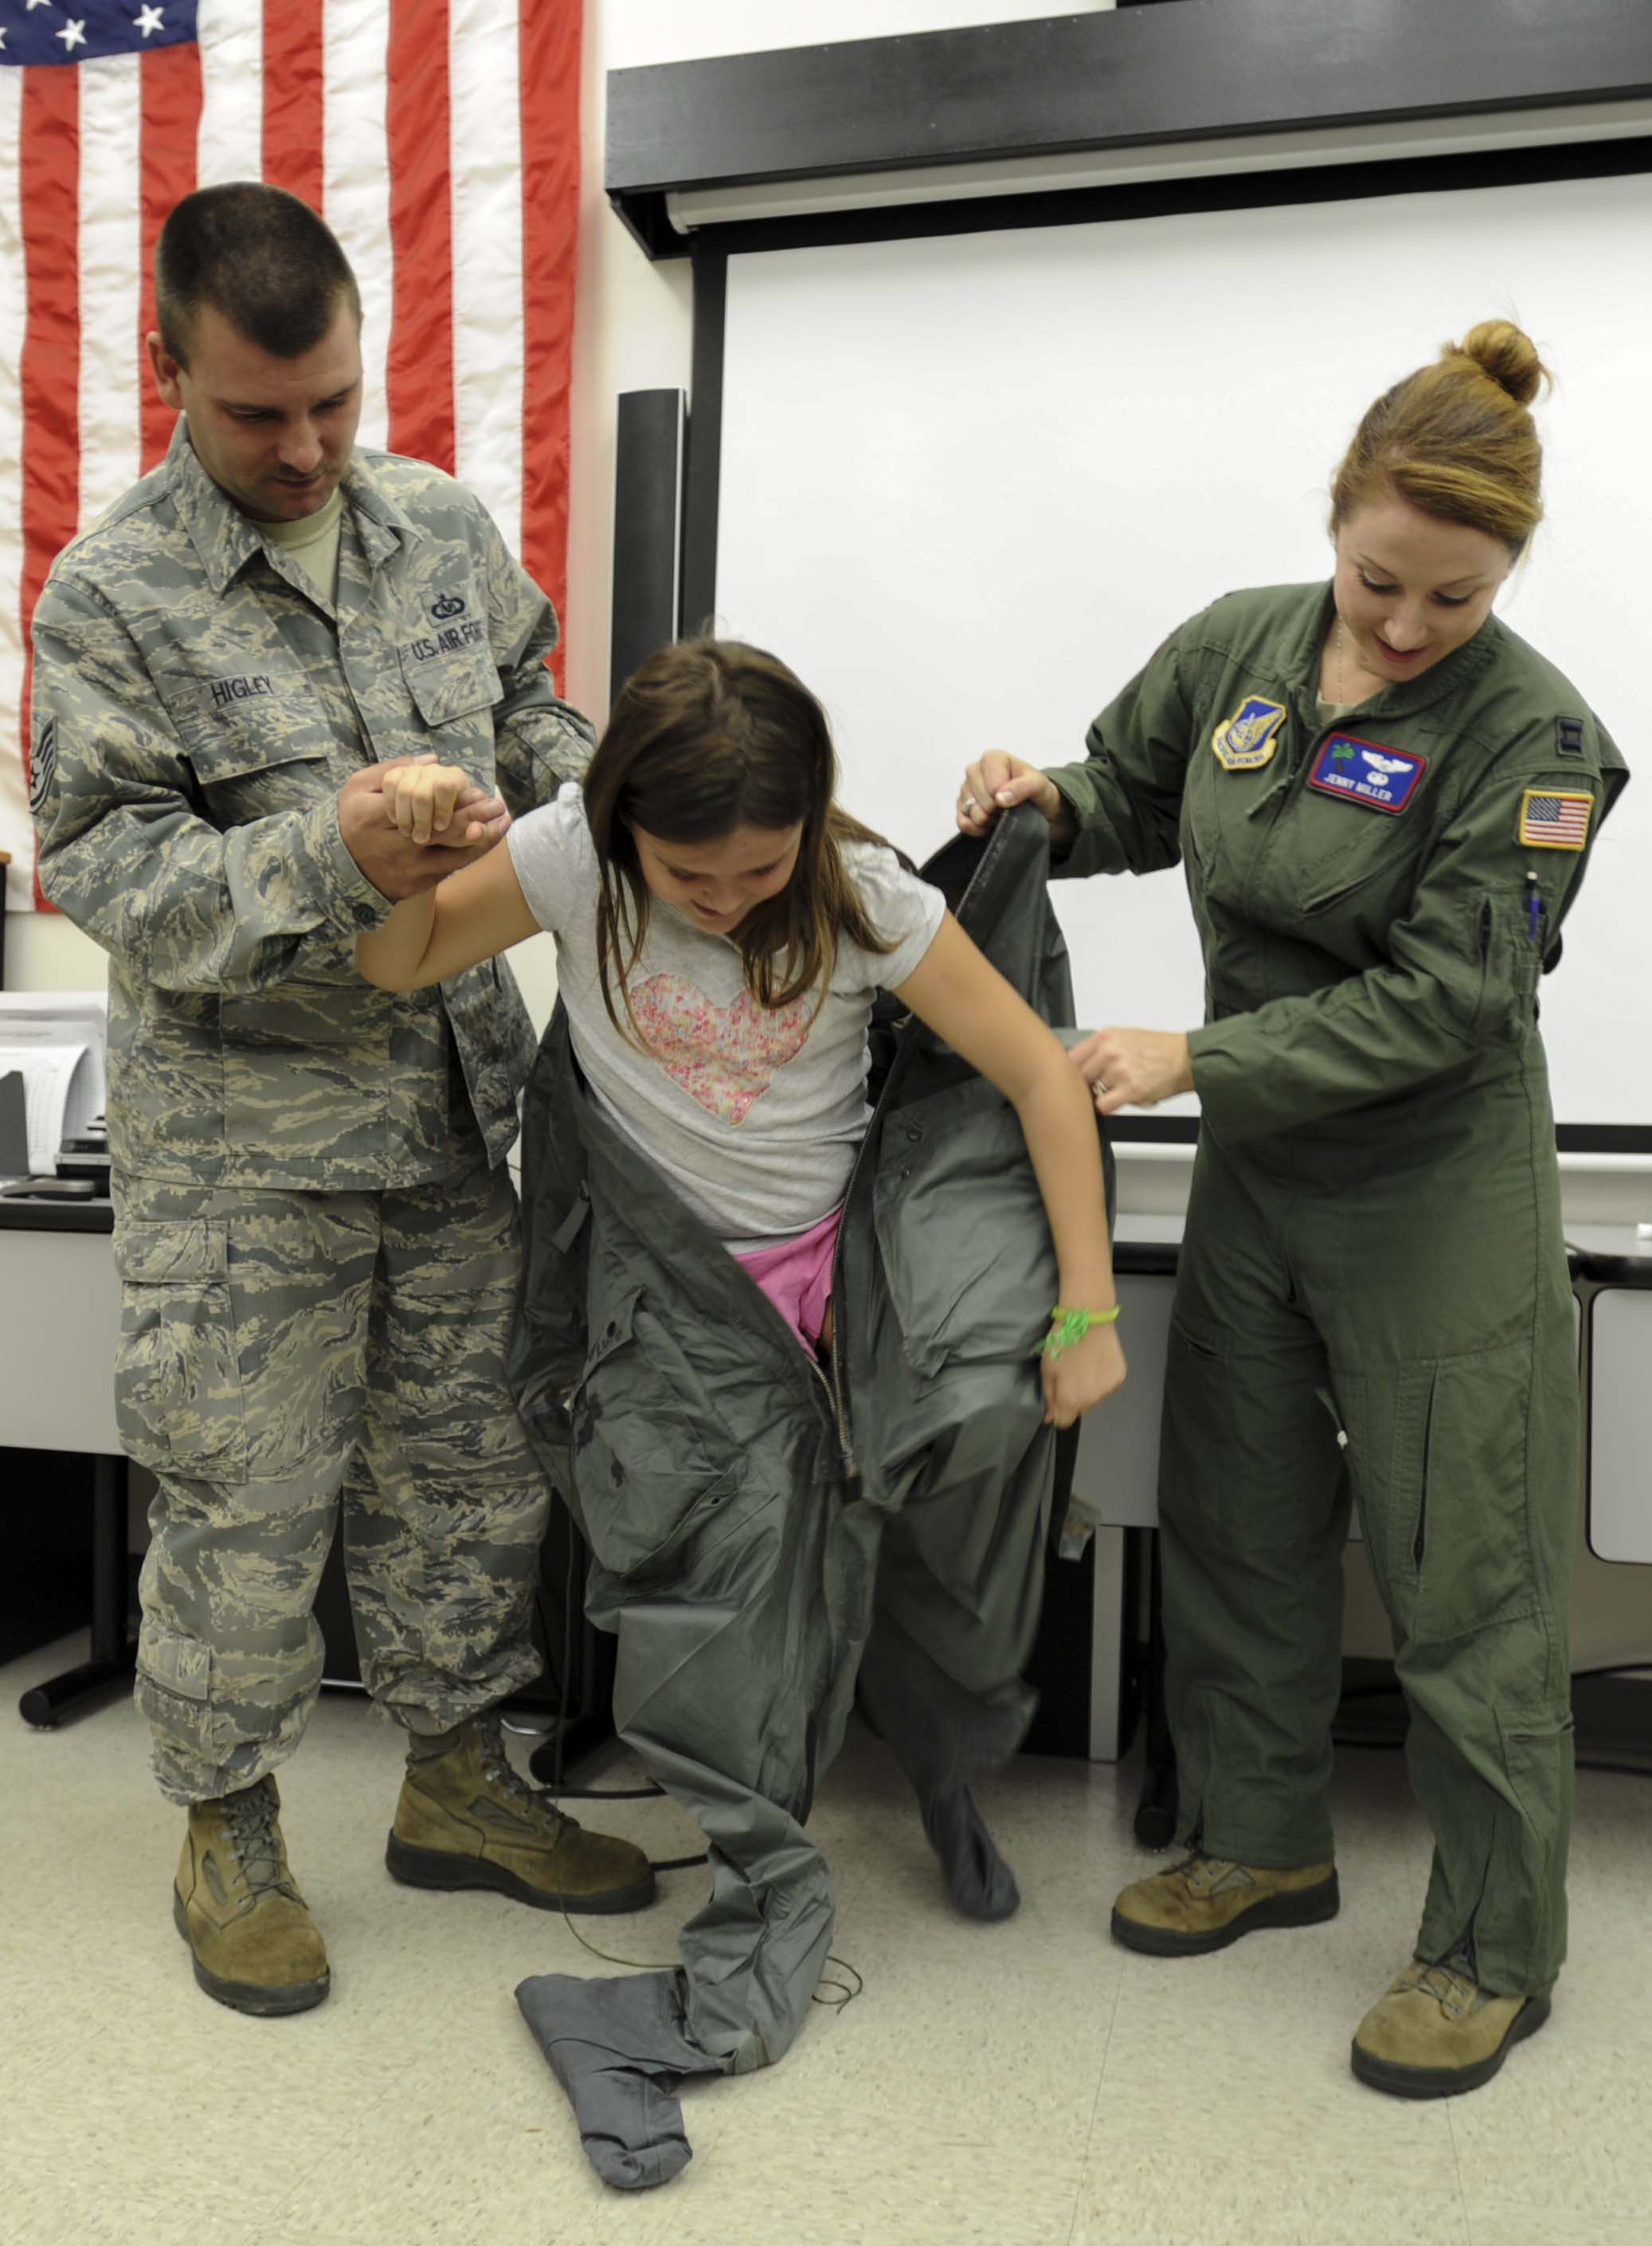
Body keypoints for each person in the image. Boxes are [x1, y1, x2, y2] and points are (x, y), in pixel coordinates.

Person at [954, 320, 1628, 2099]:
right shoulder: (1245, 646)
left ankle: (1492, 1944)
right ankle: (1259, 1840)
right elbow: (1135, 792)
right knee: (1240, 1522)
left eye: (1452, 601)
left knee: (1460, 1578)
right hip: (1261, 1175)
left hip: (1427, 1188)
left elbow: (1451, 1001)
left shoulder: (1538, 739)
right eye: (1378, 582)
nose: (1404, 629)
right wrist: (1042, 796)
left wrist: (1191, 1057)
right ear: (1336, 524)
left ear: (1506, 578)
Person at [357, 637, 1125, 2185]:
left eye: (753, 873)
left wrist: (1088, 1314)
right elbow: (398, 963)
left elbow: (1039, 1079)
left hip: (841, 1285)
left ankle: (939, 1752)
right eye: (687, 877)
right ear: (620, 821)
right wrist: (386, 862)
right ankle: (757, 1893)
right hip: (665, 1296)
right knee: (704, 1616)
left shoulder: (860, 898)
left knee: (947, 1532)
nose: (721, 902)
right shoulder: (571, 859)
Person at [29, 182, 655, 2021]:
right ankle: (225, 1827)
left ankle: (458, 1784)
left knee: (469, 1481)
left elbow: (539, 711)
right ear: (170, 374)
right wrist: (331, 846)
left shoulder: (438, 528)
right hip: (245, 1158)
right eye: (254, 415)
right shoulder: (110, 592)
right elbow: (114, 876)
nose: (302, 448)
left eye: (331, 403)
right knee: (245, 1502)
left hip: (461, 1107)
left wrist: (618, 799)